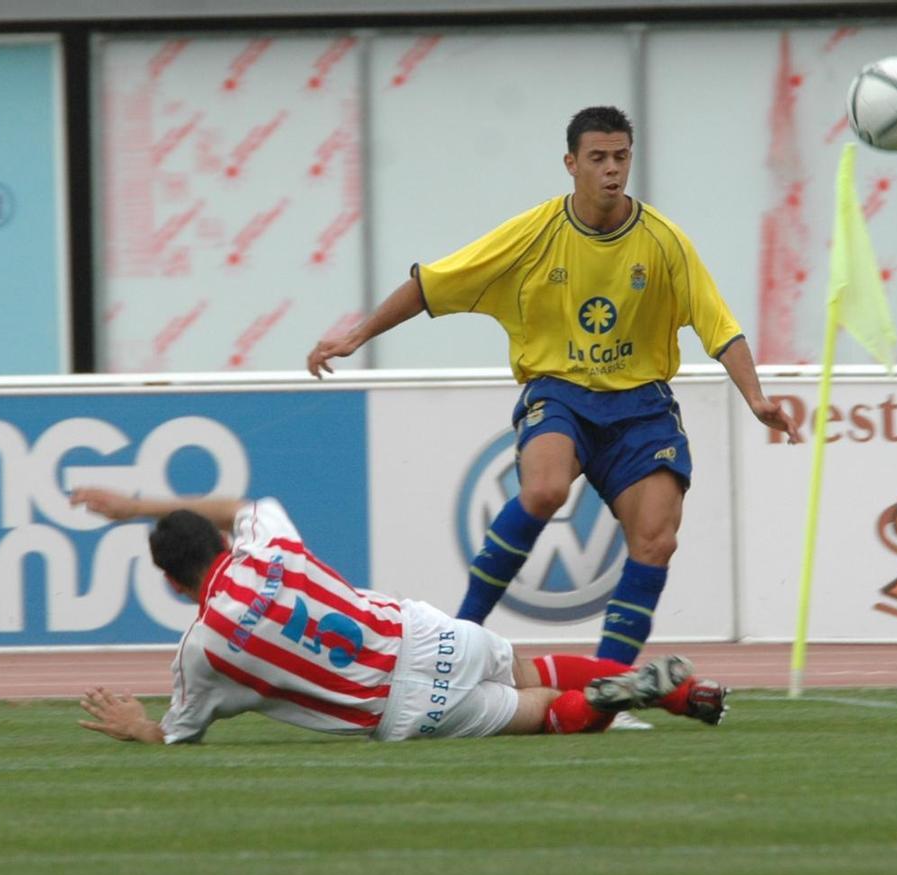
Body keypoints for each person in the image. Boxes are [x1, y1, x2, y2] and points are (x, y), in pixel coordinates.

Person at [307, 105, 802, 667]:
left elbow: (721, 327)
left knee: (656, 540)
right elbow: (431, 285)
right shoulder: (534, 234)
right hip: (560, 392)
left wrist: (756, 397)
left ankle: (606, 687)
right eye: (598, 158)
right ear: (571, 164)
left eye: (621, 157)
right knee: (544, 490)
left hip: (642, 407)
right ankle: (457, 643)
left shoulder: (665, 243)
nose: (611, 169)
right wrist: (355, 336)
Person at [70, 487, 729, 746]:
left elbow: (178, 734)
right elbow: (244, 501)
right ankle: (675, 693)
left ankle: (612, 698)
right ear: (220, 544)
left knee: (546, 715)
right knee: (537, 666)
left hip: (404, 704)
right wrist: (135, 506)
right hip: (420, 632)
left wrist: (136, 727)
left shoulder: (203, 648)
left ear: (170, 582)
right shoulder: (264, 542)